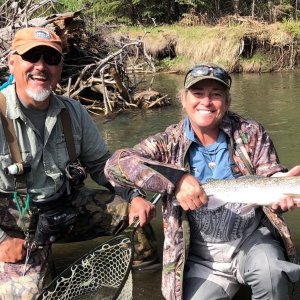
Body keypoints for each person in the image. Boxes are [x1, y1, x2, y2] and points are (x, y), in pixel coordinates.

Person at [105, 63, 300, 300]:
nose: (206, 102)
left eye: (215, 95)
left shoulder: (250, 132)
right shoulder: (167, 143)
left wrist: (279, 182)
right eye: (198, 94)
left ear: (226, 102)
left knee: (272, 272)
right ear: (183, 99)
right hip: (202, 258)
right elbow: (115, 164)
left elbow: (268, 172)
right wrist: (176, 179)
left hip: (251, 241)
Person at [0, 27, 158, 299]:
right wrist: (1, 241)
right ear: (12, 62)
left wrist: (134, 195)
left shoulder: (73, 111)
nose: (41, 66)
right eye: (31, 56)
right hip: (14, 227)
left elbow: (101, 165)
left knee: (135, 219)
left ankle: (149, 285)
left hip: (67, 207)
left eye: (50, 59)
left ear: (60, 67)